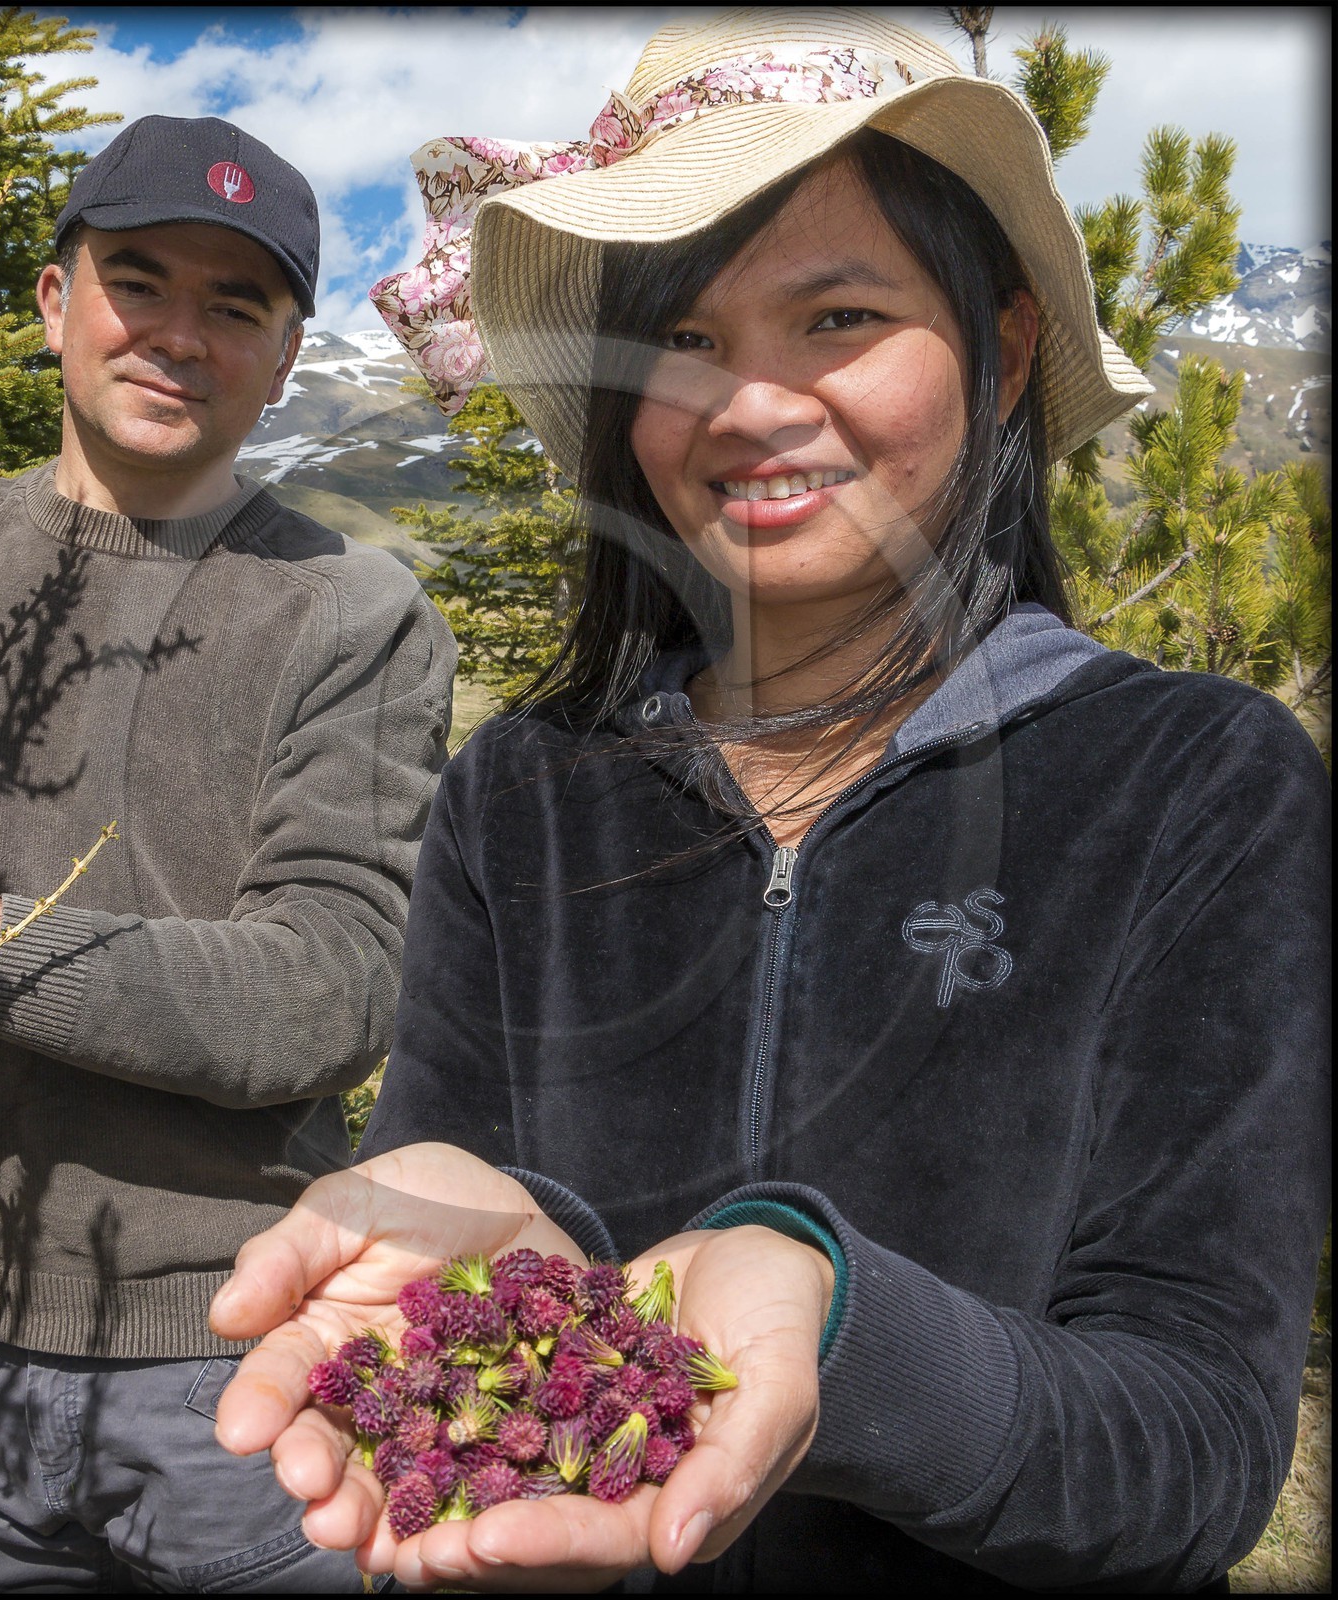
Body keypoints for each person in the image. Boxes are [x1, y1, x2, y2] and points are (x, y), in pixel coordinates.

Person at [202, 12, 1330, 1595]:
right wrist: (487, 1257)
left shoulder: (1194, 784)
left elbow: (1194, 1446)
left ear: (1004, 351)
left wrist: (832, 1316)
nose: (749, 407)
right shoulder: (523, 796)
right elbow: (468, 1216)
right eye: (682, 337)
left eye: (839, 316)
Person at [0, 114, 455, 1592]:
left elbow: (331, 988)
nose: (179, 336)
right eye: (138, 281)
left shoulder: (352, 613)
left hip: (239, 1361)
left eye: (236, 306)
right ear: (54, 299)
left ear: (284, 354)